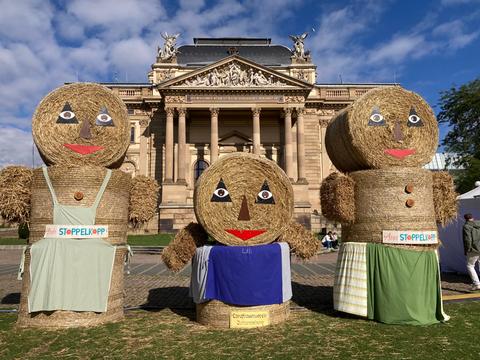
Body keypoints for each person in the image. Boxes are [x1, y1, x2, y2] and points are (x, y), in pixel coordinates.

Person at [463, 213, 480, 291]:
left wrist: (467, 249)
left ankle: (476, 284)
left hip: (474, 249)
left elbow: (468, 239)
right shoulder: (478, 223)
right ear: (473, 217)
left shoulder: (466, 226)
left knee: (470, 265)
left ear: (465, 219)